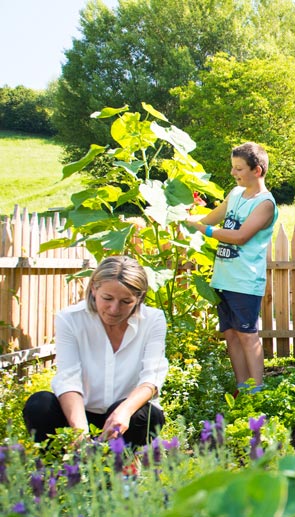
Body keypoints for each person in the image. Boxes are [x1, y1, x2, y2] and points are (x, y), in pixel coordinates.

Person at [22, 256, 168, 446]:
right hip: (79, 413)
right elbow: (69, 378)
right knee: (39, 405)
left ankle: (123, 464)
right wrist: (80, 433)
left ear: (139, 298)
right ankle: (59, 468)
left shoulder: (153, 320)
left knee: (147, 415)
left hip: (126, 416)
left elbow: (152, 377)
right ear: (93, 289)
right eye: (107, 298)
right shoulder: (70, 319)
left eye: (126, 302)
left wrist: (124, 411)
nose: (114, 309)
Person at [186, 142, 278, 394]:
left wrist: (204, 229)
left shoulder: (265, 204)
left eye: (238, 168)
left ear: (257, 170)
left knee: (248, 335)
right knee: (231, 335)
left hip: (245, 281)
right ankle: (242, 387)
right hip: (223, 278)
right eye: (232, 167)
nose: (233, 173)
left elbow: (239, 237)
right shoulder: (235, 194)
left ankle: (257, 391)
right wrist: (186, 218)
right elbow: (210, 218)